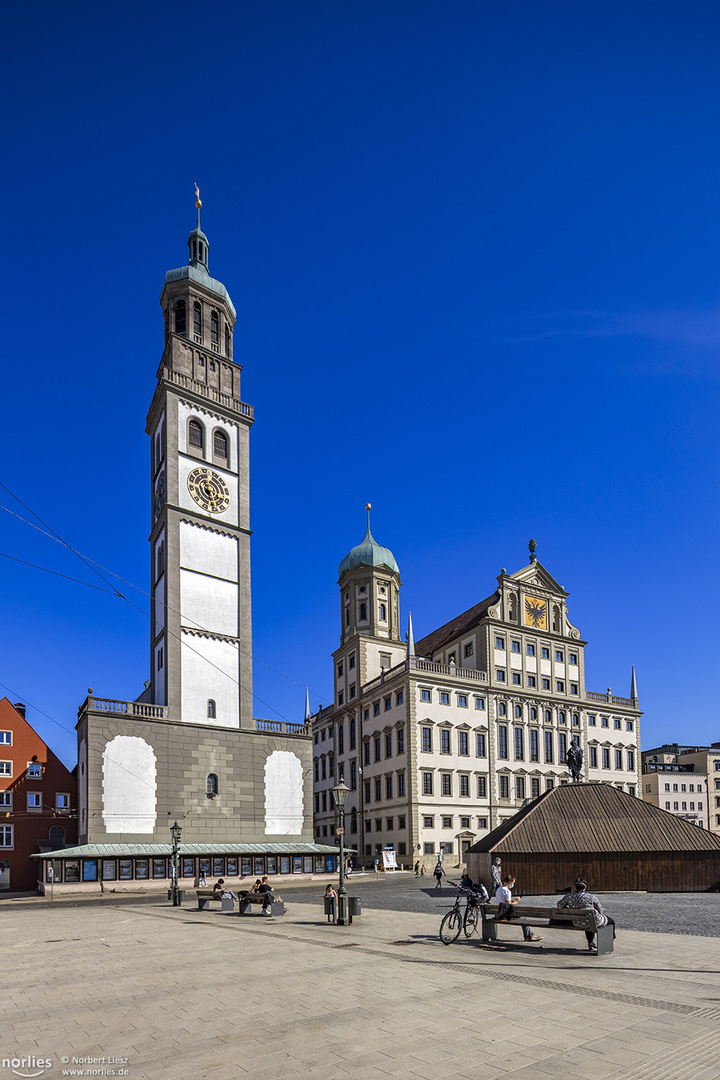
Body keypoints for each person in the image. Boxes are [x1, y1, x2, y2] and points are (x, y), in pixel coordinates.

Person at [557, 879, 615, 952]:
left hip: (577, 922)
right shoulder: (591, 897)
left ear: (574, 886)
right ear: (585, 887)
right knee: (610, 921)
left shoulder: (568, 896)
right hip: (592, 921)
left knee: (587, 920)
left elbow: (559, 905)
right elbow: (600, 910)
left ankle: (591, 943)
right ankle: (609, 941)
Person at [495, 874, 542, 943]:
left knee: (522, 918)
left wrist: (513, 902)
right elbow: (508, 906)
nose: (512, 885)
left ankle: (529, 935)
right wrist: (516, 902)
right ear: (510, 882)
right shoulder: (507, 891)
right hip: (505, 915)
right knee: (524, 919)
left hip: (498, 913)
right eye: (513, 883)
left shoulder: (499, 889)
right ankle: (529, 936)